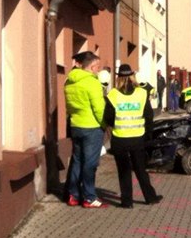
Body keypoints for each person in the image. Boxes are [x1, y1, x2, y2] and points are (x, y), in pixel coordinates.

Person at [104, 64, 162, 208]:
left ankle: (127, 202)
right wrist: (148, 135)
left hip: (119, 139)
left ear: (118, 78)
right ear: (132, 76)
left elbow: (108, 117)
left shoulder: (113, 94)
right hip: (138, 138)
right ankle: (150, 197)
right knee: (140, 169)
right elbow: (149, 117)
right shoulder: (142, 93)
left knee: (124, 172)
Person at [64, 51, 107, 208]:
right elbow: (99, 108)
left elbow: (69, 106)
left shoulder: (69, 81)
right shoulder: (92, 83)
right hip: (92, 127)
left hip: (76, 125)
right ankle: (89, 197)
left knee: (77, 161)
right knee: (90, 163)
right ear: (92, 67)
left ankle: (73, 195)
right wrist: (104, 125)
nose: (98, 70)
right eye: (97, 66)